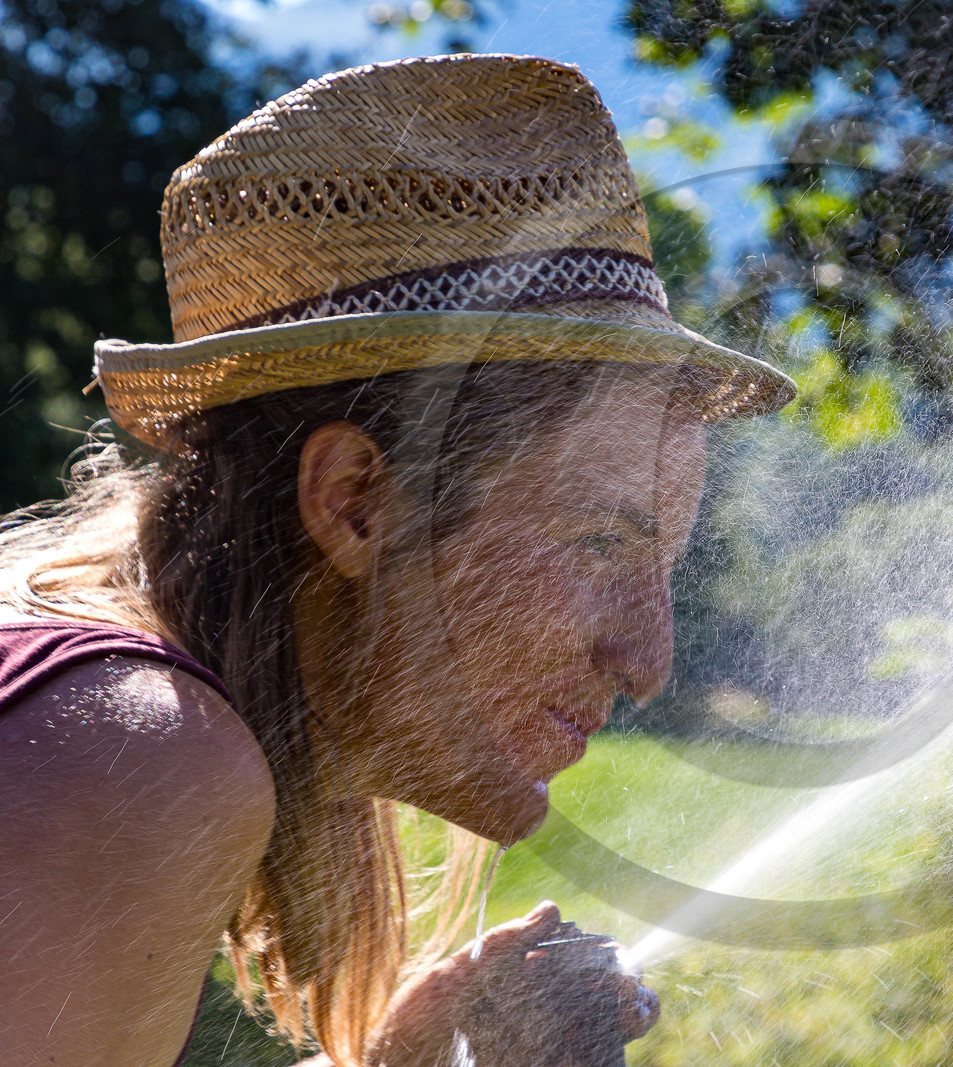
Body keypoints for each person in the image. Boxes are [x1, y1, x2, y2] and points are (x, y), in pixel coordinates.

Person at [0, 54, 793, 1066]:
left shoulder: (95, 717)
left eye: (666, 564)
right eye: (601, 541)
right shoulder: (138, 760)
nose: (648, 659)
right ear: (356, 501)